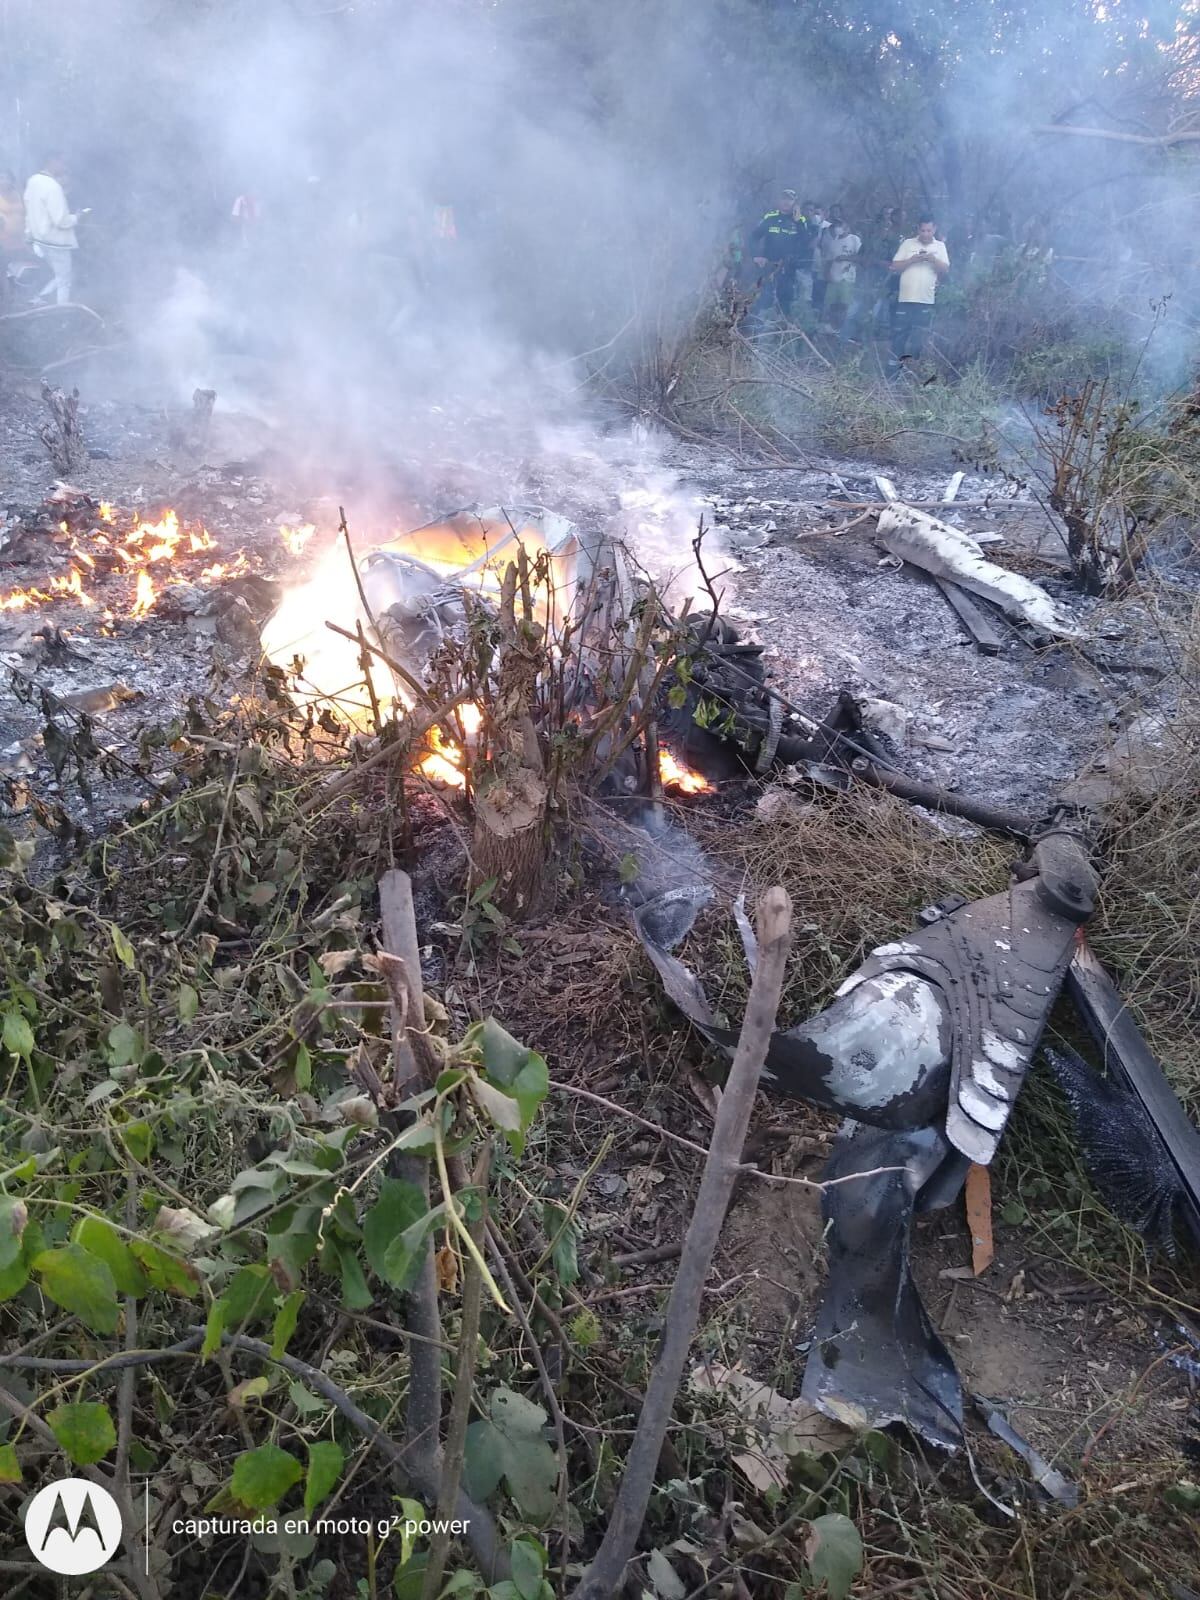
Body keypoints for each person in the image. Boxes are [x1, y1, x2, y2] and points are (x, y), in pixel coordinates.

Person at [888, 215, 949, 372]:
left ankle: (912, 370)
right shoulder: (908, 243)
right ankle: (893, 370)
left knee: (919, 338)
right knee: (899, 335)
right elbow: (894, 266)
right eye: (922, 230)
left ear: (934, 229)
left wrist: (932, 259)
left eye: (929, 230)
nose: (926, 234)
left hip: (926, 301)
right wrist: (912, 260)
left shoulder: (940, 246)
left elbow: (945, 269)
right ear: (918, 229)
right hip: (906, 299)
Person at [24, 156, 84, 306]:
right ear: (52, 162)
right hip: (57, 241)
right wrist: (77, 217)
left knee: (61, 275)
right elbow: (61, 220)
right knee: (64, 280)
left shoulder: (33, 181)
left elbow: (28, 210)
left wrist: (29, 235)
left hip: (40, 239)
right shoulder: (53, 186)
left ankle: (39, 298)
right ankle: (61, 311)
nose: (64, 166)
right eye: (62, 163)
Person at [841, 206, 899, 343]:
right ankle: (844, 338)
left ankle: (867, 342)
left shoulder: (894, 242)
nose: (885, 227)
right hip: (864, 281)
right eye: (883, 224)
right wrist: (863, 260)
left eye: (888, 225)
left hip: (882, 283)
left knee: (875, 313)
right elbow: (860, 257)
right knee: (853, 310)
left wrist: (877, 262)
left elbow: (894, 264)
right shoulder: (869, 241)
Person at [748, 187, 807, 322]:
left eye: (790, 199)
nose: (786, 202)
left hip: (788, 268)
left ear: (795, 202)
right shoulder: (770, 217)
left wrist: (798, 222)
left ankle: (781, 330)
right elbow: (753, 237)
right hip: (768, 266)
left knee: (785, 301)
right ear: (779, 201)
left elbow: (805, 242)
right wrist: (756, 256)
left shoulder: (800, 220)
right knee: (763, 299)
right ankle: (757, 330)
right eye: (784, 198)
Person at [815, 215, 861, 332]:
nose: (838, 228)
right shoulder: (833, 242)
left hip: (847, 278)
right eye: (836, 226)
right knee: (832, 304)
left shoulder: (854, 239)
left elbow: (861, 257)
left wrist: (846, 258)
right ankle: (832, 327)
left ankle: (843, 328)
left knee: (844, 305)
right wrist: (827, 274)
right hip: (833, 278)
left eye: (840, 225)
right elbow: (828, 261)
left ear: (847, 226)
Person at [0, 170, 25, 307]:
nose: (3, 181)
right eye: (0, 178)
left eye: (5, 178)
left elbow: (23, 214)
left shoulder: (17, 194)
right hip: (2, 242)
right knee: (3, 273)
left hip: (19, 241)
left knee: (19, 271)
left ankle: (20, 300)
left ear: (11, 180)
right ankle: (6, 303)